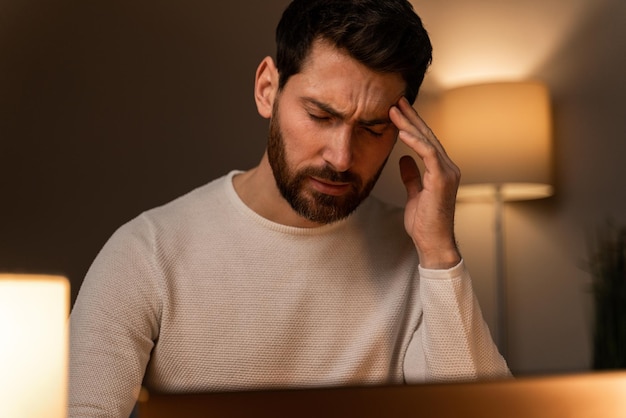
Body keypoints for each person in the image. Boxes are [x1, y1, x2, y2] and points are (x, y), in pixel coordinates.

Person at [69, 0, 510, 416]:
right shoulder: (146, 253)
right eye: (321, 116)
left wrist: (439, 256)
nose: (340, 157)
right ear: (267, 89)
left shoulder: (414, 256)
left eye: (373, 129)